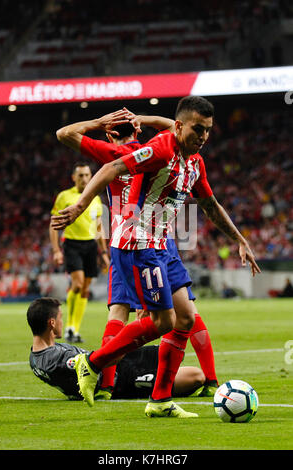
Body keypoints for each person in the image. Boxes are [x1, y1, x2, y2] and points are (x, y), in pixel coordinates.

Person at [51, 96, 261, 418]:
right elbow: (111, 166)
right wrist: (80, 205)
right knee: (161, 321)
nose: (203, 137)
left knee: (186, 318)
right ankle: (91, 363)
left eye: (207, 131)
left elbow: (210, 205)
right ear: (180, 126)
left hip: (163, 245)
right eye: (197, 130)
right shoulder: (160, 149)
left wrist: (239, 239)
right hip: (137, 243)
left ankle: (160, 399)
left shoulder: (194, 162)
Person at [56, 109, 219, 399]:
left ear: (109, 134)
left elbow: (64, 133)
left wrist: (96, 122)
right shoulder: (153, 148)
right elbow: (177, 127)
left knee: (121, 311)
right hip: (160, 237)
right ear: (138, 130)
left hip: (125, 238)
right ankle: (206, 380)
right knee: (184, 312)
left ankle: (105, 383)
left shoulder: (109, 153)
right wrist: (143, 118)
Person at [27, 297, 205, 401]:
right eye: (60, 317)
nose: (61, 321)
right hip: (122, 381)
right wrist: (128, 340)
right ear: (51, 323)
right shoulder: (54, 359)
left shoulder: (35, 357)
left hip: (119, 363)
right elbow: (87, 367)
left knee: (171, 354)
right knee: (196, 376)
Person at [49, 161, 110, 343]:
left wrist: (104, 252)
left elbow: (99, 228)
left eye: (87, 175)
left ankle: (73, 329)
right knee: (77, 284)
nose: (84, 178)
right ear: (73, 177)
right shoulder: (64, 196)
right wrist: (56, 250)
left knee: (84, 289)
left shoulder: (95, 198)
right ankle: (69, 325)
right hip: (72, 244)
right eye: (80, 175)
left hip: (90, 246)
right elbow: (53, 225)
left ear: (91, 177)